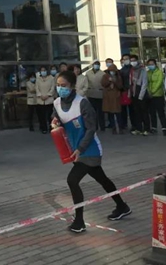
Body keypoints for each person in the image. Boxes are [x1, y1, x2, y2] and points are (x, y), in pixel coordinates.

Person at [51, 70, 132, 233]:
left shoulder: (83, 103)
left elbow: (91, 128)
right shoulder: (57, 103)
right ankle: (122, 206)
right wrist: (55, 122)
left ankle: (79, 221)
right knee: (102, 179)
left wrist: (81, 148)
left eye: (64, 85)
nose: (61, 88)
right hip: (75, 149)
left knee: (72, 180)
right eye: (58, 85)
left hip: (90, 149)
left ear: (72, 86)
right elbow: (56, 119)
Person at [142, 59, 166, 136]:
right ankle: (154, 127)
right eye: (149, 64)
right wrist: (149, 91)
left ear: (155, 64)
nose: (151, 66)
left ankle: (164, 128)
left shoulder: (159, 72)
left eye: (152, 64)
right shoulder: (147, 73)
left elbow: (159, 83)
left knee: (161, 112)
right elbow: (146, 83)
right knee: (152, 112)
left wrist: (153, 91)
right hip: (150, 96)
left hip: (158, 95)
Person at [130, 55, 150, 136]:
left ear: (137, 60)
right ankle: (139, 128)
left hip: (141, 92)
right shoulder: (132, 70)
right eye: (131, 60)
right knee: (137, 112)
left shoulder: (142, 69)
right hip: (134, 92)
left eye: (134, 60)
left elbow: (145, 83)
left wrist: (141, 95)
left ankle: (146, 129)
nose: (133, 62)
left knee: (144, 112)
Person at [101, 60, 123, 134]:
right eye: (111, 71)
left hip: (116, 96)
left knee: (118, 113)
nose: (112, 72)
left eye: (113, 71)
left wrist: (115, 81)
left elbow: (120, 86)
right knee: (110, 113)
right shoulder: (105, 76)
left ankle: (120, 127)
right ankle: (113, 127)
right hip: (108, 97)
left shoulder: (118, 77)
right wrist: (109, 81)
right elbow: (103, 84)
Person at [85, 60, 106, 131]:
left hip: (100, 94)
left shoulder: (103, 73)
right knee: (92, 112)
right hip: (91, 94)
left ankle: (102, 126)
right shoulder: (88, 73)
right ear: (92, 65)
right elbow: (86, 83)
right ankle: (94, 126)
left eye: (98, 64)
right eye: (95, 64)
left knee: (101, 112)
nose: (96, 65)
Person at [35, 65, 55, 134]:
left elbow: (52, 88)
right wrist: (40, 95)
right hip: (40, 100)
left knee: (50, 115)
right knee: (42, 116)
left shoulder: (51, 78)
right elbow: (36, 88)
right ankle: (44, 128)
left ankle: (51, 127)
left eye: (44, 70)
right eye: (42, 70)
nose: (43, 72)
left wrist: (48, 95)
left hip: (49, 99)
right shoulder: (38, 79)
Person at [119, 53, 134, 132]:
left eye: (127, 59)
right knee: (123, 109)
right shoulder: (121, 70)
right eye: (124, 59)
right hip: (124, 91)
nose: (125, 60)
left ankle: (134, 124)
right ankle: (124, 124)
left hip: (132, 91)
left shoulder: (133, 68)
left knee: (132, 110)